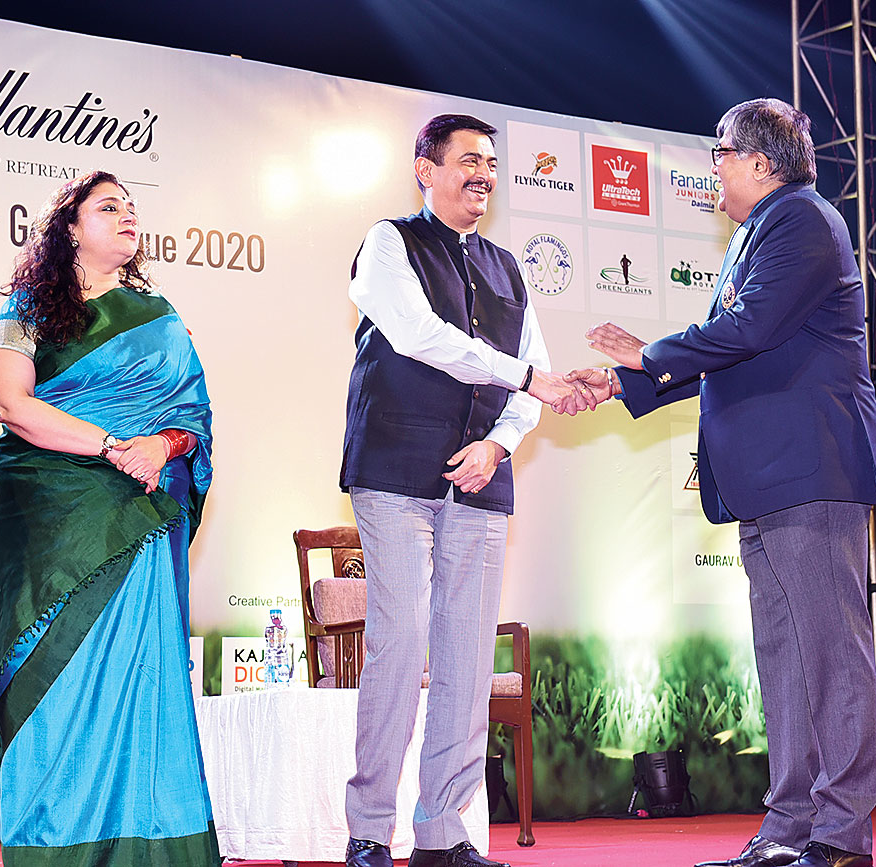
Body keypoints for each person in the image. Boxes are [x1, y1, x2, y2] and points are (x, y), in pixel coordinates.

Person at [566, 98, 876, 867]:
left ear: (758, 161)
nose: (710, 166)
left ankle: (840, 836)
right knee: (784, 659)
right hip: (768, 480)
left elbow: (744, 332)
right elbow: (730, 354)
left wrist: (646, 354)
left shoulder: (803, 221)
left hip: (811, 470)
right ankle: (785, 831)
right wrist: (620, 381)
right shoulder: (756, 234)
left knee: (832, 654)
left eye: (719, 151)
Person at [340, 113, 585, 867]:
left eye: (489, 162)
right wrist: (522, 378)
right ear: (425, 168)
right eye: (466, 160)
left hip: (480, 479)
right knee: (401, 642)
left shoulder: (509, 267)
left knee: (465, 655)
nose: (482, 173)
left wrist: (497, 442)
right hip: (393, 469)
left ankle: (444, 831)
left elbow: (532, 373)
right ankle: (369, 831)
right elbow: (418, 335)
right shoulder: (388, 243)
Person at [0, 170, 218, 866]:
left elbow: (191, 419)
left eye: (131, 207)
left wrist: (161, 445)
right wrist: (115, 445)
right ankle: (55, 846)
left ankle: (148, 843)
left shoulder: (160, 317)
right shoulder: (24, 308)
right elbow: (14, 407)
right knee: (59, 676)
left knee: (141, 679)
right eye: (107, 206)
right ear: (70, 227)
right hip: (53, 518)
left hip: (137, 516)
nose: (126, 216)